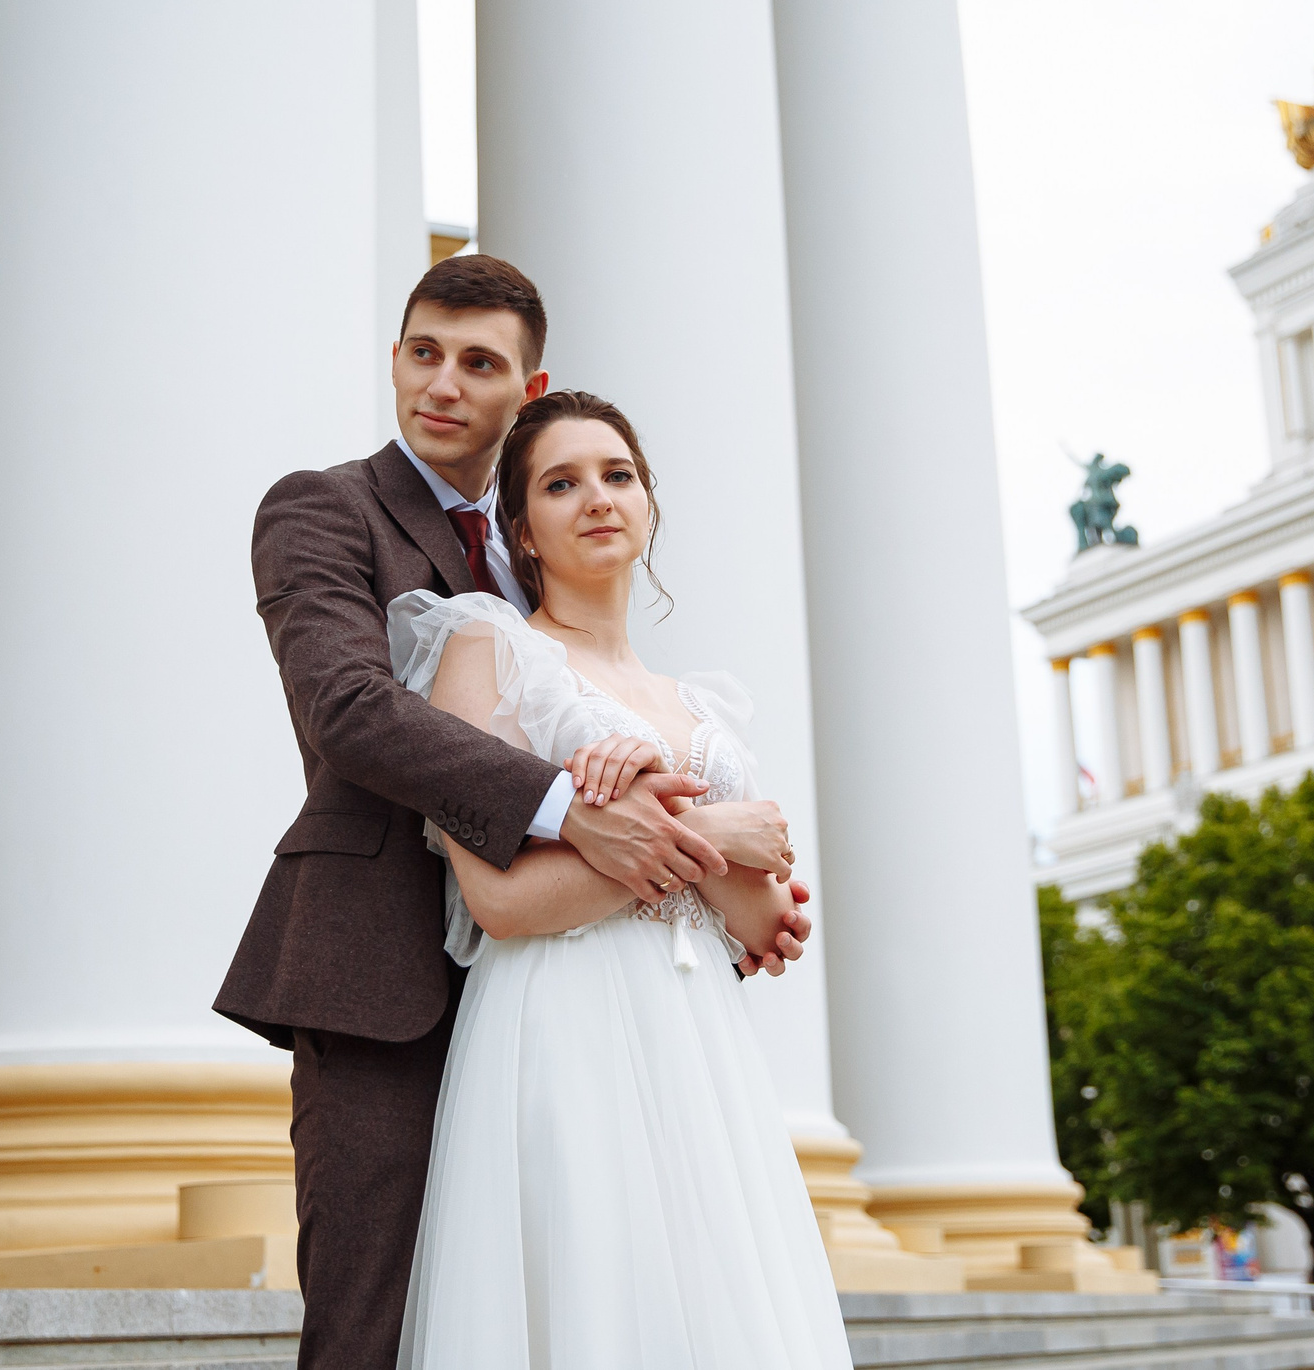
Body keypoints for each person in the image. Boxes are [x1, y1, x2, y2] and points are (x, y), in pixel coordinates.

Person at [215, 258, 812, 1370]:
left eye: (478, 362)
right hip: (382, 972)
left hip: (570, 997)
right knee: (374, 1319)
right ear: (395, 357)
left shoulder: (542, 536)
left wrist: (724, 897)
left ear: (527, 388)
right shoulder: (325, 505)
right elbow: (347, 707)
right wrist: (586, 817)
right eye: (423, 351)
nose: (441, 383)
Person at [390, 389, 851, 1368]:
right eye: (561, 482)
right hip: (559, 1025)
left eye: (618, 474)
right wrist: (714, 828)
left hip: (698, 1043)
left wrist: (646, 828)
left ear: (647, 504)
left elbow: (763, 922)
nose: (597, 496)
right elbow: (502, 902)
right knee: (593, 1296)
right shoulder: (489, 651)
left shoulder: (701, 704)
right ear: (522, 528)